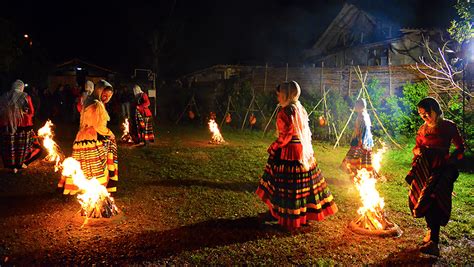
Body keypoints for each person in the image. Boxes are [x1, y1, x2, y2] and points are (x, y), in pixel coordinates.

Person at [255, 81, 338, 231]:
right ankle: (301, 215)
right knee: (302, 185)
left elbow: (286, 135)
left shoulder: (285, 111)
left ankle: (287, 217)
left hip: (290, 151)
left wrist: (275, 146)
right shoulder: (299, 108)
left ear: (286, 94)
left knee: (288, 185)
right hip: (302, 151)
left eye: (279, 94)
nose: (278, 97)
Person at [405, 97, 465, 256]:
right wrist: (418, 152)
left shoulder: (448, 126)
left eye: (426, 113)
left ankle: (434, 241)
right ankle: (431, 232)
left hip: (443, 170)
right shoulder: (422, 129)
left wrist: (449, 160)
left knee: (434, 198)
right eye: (420, 114)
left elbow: (460, 148)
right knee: (422, 199)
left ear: (435, 110)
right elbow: (416, 147)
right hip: (426, 169)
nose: (424, 117)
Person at [58, 80, 118, 194]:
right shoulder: (96, 104)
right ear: (99, 91)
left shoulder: (90, 100)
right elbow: (97, 125)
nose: (107, 97)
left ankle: (81, 185)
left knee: (84, 163)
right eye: (105, 94)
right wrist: (110, 133)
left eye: (110, 96)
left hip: (82, 136)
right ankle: (100, 186)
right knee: (98, 162)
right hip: (92, 137)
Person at [0, 80, 42, 173]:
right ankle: (22, 163)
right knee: (25, 146)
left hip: (8, 126)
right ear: (21, 87)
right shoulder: (25, 96)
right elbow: (31, 112)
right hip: (24, 126)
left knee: (11, 147)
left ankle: (12, 166)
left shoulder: (4, 96)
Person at [341, 98, 375, 180]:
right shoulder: (364, 114)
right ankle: (358, 176)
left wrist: (361, 140)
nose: (355, 107)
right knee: (360, 159)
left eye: (356, 105)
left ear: (360, 106)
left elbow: (364, 128)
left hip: (361, 141)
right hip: (362, 140)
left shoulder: (362, 115)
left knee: (355, 158)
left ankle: (358, 176)